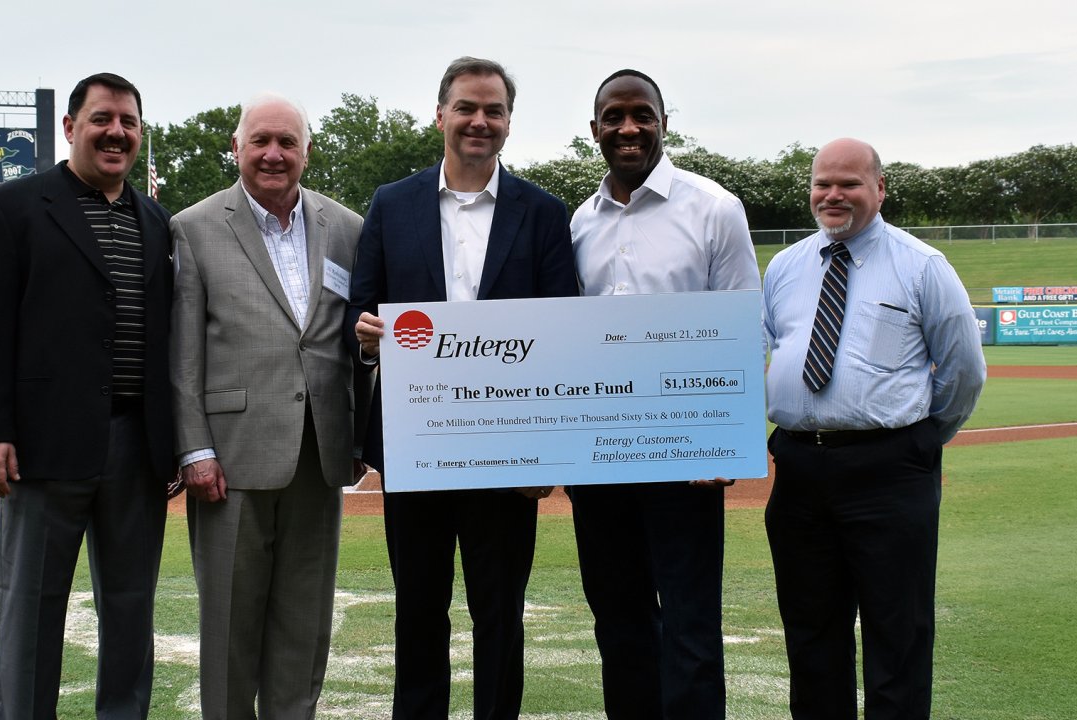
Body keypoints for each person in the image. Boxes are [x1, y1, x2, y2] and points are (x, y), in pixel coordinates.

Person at [345, 56, 578, 719]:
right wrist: (363, 332)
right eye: (468, 107)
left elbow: (564, 335)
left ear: (508, 121)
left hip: (509, 455)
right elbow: (361, 312)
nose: (481, 121)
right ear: (440, 114)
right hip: (417, 446)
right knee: (418, 613)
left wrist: (550, 453)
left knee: (499, 617)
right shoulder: (392, 204)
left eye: (494, 109)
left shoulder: (542, 212)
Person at [0, 72, 175, 719]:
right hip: (42, 448)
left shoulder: (157, 222)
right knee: (29, 613)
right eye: (103, 118)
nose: (117, 132)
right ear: (70, 127)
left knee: (131, 613)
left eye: (129, 122)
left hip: (139, 447)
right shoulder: (13, 208)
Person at [762, 137, 985, 719]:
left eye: (849, 183)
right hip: (800, 471)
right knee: (811, 635)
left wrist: (918, 442)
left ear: (879, 190)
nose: (833, 195)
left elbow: (963, 371)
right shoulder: (785, 267)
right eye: (822, 183)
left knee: (898, 636)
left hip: (889, 472)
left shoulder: (922, 266)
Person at [568, 69, 761, 719]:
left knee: (690, 628)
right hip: (599, 460)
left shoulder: (713, 209)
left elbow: (744, 329)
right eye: (615, 117)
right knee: (619, 627)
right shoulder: (578, 223)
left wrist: (723, 440)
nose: (629, 128)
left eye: (642, 115)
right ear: (594, 130)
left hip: (686, 460)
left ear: (663, 123)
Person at [169, 94, 365, 720]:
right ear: (237, 148)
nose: (274, 155)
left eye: (287, 142)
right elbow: (183, 355)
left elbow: (350, 343)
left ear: (307, 151)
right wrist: (195, 450)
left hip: (320, 456)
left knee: (304, 627)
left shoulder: (348, 227)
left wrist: (358, 440)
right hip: (229, 462)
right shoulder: (194, 227)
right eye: (260, 142)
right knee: (229, 626)